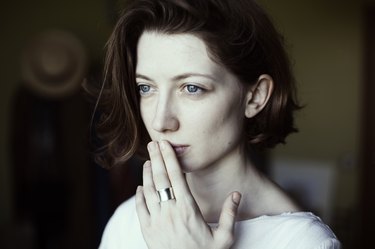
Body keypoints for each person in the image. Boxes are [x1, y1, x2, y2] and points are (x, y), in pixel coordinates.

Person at [92, 0, 341, 248]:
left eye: (192, 88)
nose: (160, 121)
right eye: (146, 88)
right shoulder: (128, 220)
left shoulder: (304, 241)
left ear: (254, 97)